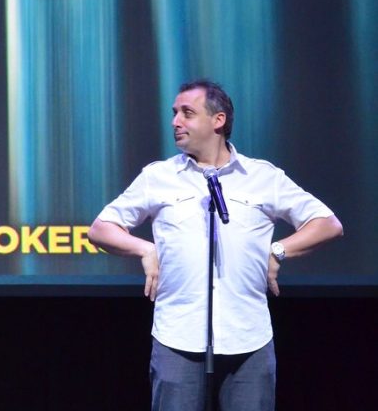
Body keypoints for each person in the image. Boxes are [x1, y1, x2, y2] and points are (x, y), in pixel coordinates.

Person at [87, 80, 343, 410]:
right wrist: (145, 249)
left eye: (187, 113)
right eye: (174, 113)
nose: (175, 121)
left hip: (249, 337)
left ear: (218, 120)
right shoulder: (159, 177)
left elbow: (327, 224)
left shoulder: (262, 176)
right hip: (177, 337)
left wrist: (278, 250)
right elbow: (101, 228)